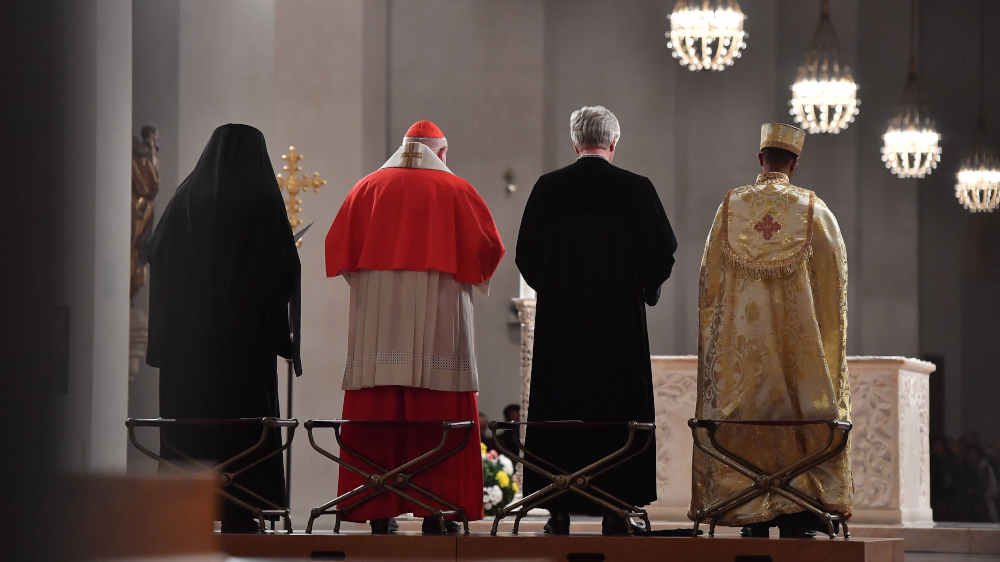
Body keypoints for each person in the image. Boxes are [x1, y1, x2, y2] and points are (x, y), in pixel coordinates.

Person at [325, 120, 505, 534]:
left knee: (379, 416)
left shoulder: (366, 188)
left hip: (377, 326)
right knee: (438, 415)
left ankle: (378, 509)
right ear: (441, 152)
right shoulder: (457, 190)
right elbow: (489, 250)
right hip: (441, 323)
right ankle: (438, 513)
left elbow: (339, 251)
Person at [516, 105, 677, 535]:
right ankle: (617, 509)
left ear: (575, 143)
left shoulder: (549, 188)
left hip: (562, 330)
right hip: (619, 329)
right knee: (618, 414)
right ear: (614, 142)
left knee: (561, 411)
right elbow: (664, 250)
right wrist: (643, 290)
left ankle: (557, 509)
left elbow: (526, 254)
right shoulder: (637, 188)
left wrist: (555, 292)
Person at [689, 123, 852, 538]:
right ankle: (798, 513)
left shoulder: (730, 208)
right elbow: (834, 286)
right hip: (799, 361)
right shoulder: (815, 210)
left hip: (743, 366)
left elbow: (708, 282)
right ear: (794, 163)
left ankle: (748, 510)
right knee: (799, 423)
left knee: (745, 426)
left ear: (760, 159)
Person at [146, 124, 301, 533]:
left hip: (187, 355)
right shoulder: (261, 200)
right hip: (243, 354)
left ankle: (183, 513)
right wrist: (280, 334)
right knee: (243, 432)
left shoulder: (184, 199)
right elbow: (285, 268)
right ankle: (240, 511)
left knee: (191, 431)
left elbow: (156, 255)